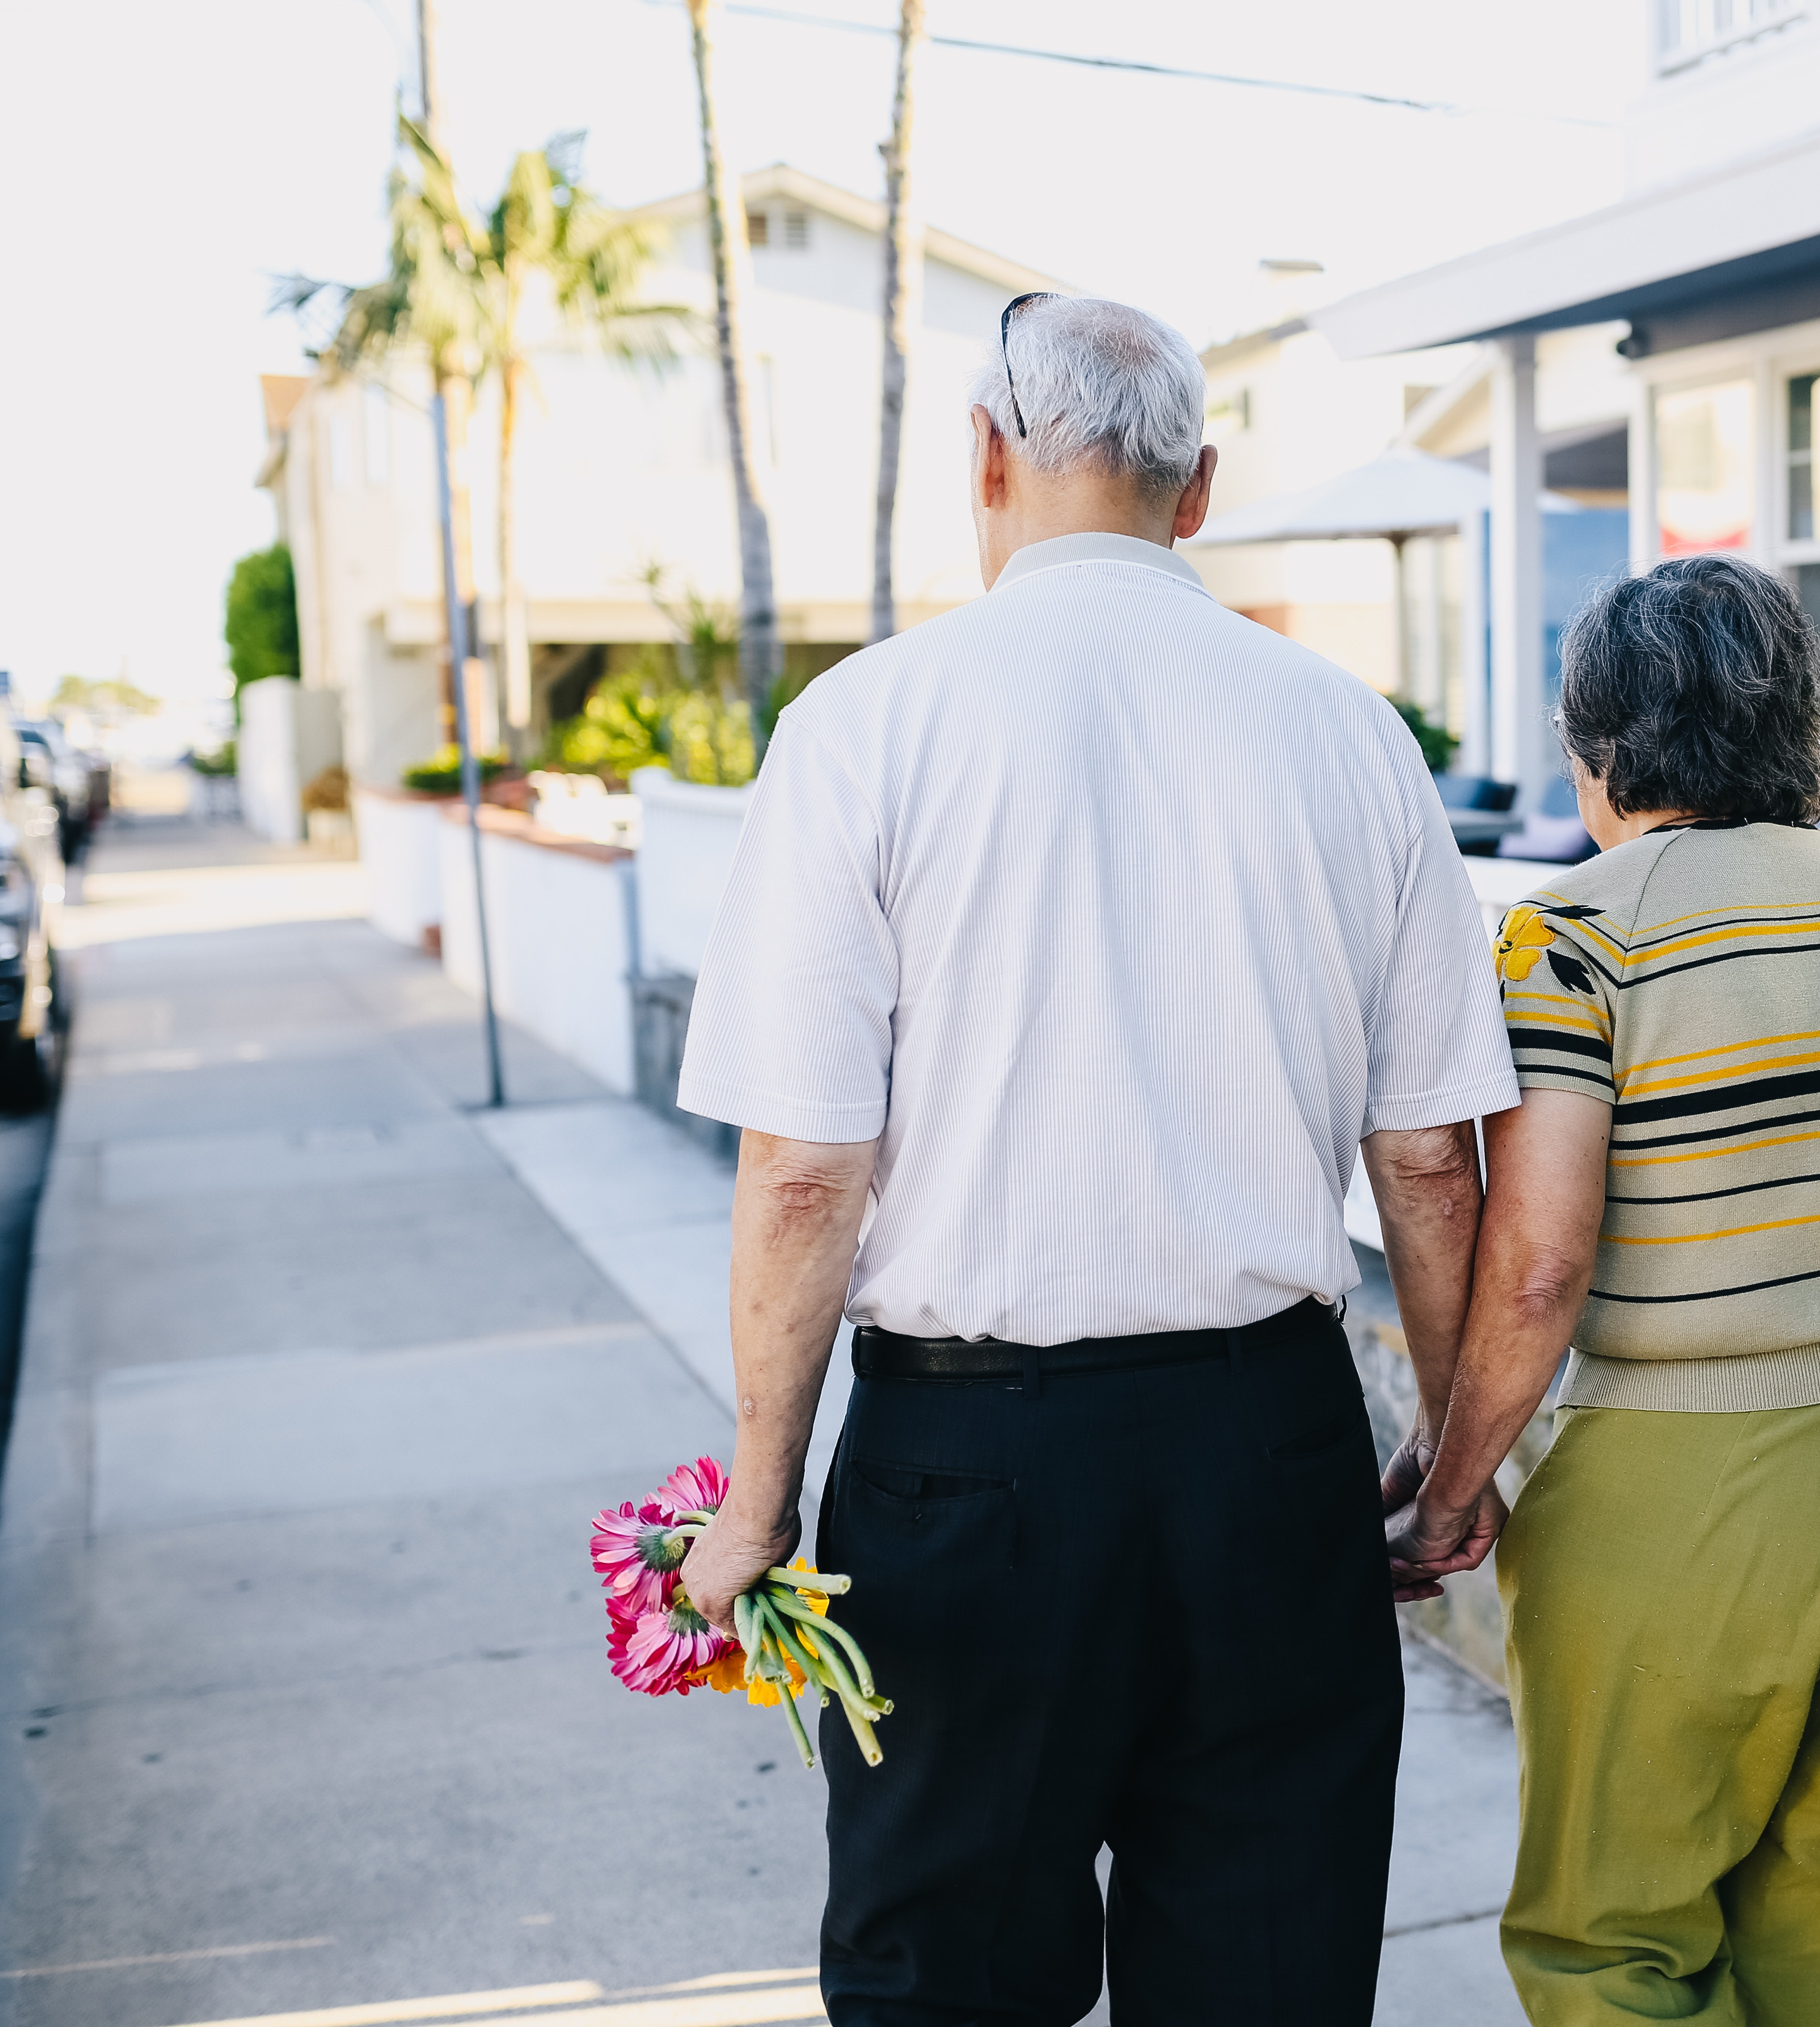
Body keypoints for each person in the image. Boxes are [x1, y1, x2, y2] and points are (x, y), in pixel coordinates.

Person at [674, 293, 1519, 2027]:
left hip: (961, 1469)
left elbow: (804, 1171)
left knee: (949, 1987)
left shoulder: (867, 725)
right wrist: (1449, 1452)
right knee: (1267, 1979)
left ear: (986, 458)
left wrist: (758, 1495)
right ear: (1196, 490)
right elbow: (1430, 1160)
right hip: (1269, 1456)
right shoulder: (1350, 732)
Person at [1386, 554, 1820, 2025]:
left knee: (1614, 1945)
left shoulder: (1574, 931)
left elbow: (1542, 1266)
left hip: (1695, 1486)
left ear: (1602, 750)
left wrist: (1455, 1485)